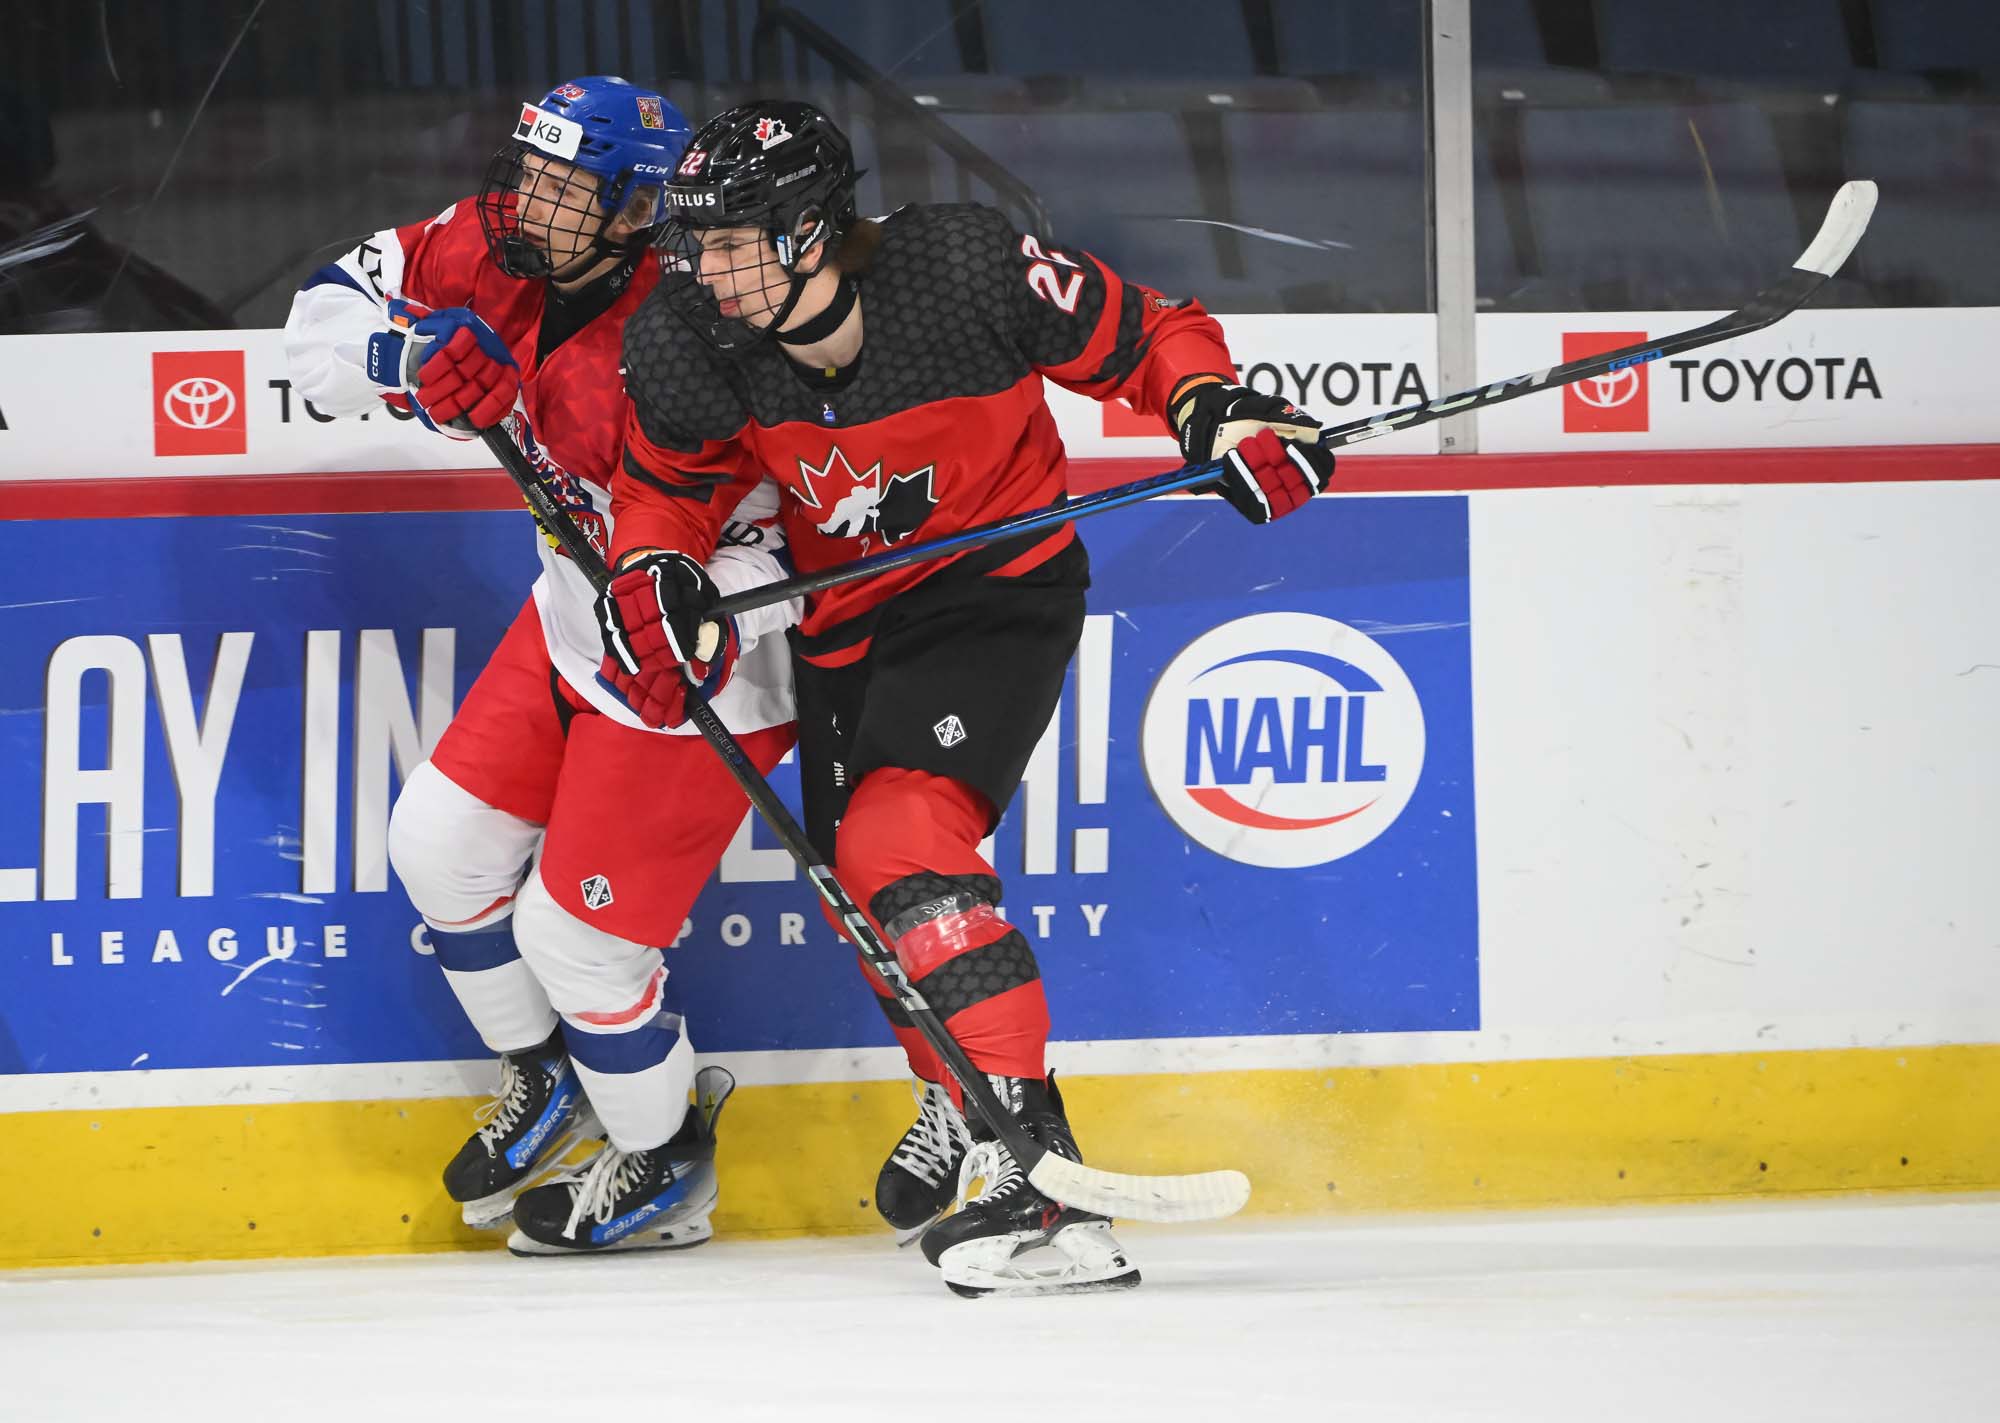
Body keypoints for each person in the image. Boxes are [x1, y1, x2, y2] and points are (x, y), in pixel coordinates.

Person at [598, 101, 1332, 1295]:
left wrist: (1217, 409)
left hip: (995, 592)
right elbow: (663, 488)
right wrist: (653, 570)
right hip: (846, 621)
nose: (704, 269)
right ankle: (958, 1090)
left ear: (808, 230)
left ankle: (1034, 1177)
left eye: (731, 241)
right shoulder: (693, 336)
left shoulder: (960, 271)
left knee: (900, 841)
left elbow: (1151, 333)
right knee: (861, 894)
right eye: (697, 242)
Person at [282, 77, 801, 1257]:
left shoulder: (707, 326)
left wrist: (713, 613)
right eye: (528, 169)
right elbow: (317, 320)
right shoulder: (489, 248)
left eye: (565, 187)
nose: (528, 200)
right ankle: (548, 1076)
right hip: (569, 621)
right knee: (437, 849)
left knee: (580, 943)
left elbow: (805, 523)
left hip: (692, 674)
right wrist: (401, 352)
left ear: (635, 211)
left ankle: (667, 1162)